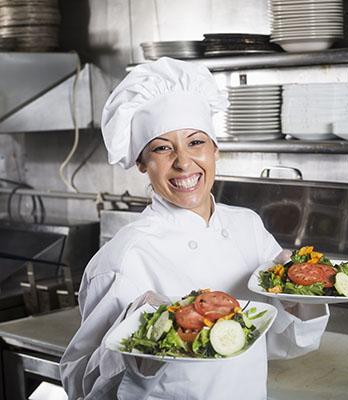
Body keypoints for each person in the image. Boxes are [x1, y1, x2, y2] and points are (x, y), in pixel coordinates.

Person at [60, 57, 329, 400]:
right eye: (162, 147)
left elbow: (278, 342)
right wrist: (138, 343)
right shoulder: (123, 259)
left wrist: (297, 299)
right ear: (142, 163)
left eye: (196, 142)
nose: (183, 161)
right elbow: (79, 384)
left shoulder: (246, 226)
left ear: (215, 149)